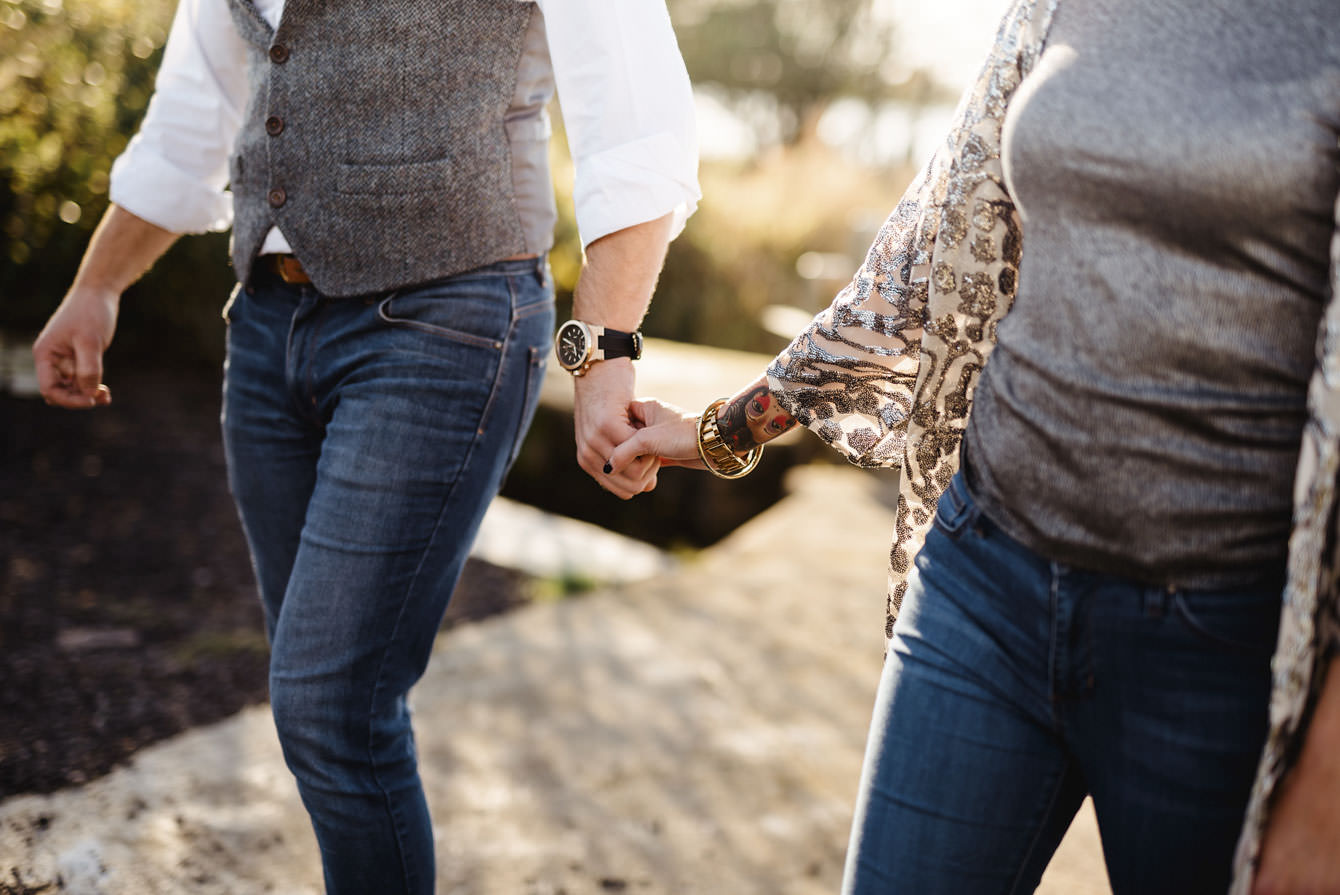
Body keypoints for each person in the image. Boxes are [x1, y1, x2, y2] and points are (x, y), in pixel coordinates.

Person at [607, 0, 1340, 892]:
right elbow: (919, 262)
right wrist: (724, 429)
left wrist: (1328, 793)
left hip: (1220, 639)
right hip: (984, 580)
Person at [30, 0, 697, 890]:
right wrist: (97, 286)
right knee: (323, 696)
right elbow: (195, 109)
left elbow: (634, 123)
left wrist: (604, 357)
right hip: (267, 326)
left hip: (449, 321)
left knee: (331, 703)